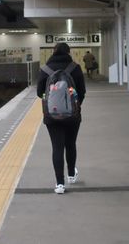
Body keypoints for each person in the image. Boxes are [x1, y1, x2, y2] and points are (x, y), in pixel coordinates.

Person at [37, 43, 86, 194]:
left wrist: (52, 101)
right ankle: (71, 175)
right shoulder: (75, 68)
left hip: (52, 115)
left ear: (53, 52)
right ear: (68, 53)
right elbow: (82, 91)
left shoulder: (45, 69)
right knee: (70, 144)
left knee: (57, 147)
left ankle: (59, 184)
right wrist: (74, 105)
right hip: (73, 115)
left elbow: (39, 93)